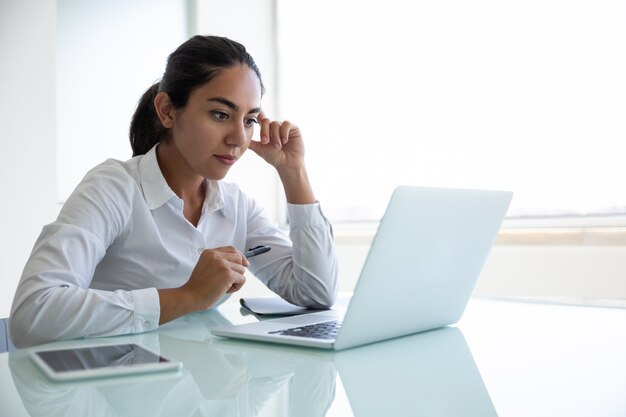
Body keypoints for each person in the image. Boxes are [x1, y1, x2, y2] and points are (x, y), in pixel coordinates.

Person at [9, 35, 338, 347]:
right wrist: (188, 296)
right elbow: (33, 313)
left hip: (199, 388)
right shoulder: (113, 188)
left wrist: (292, 171)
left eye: (249, 120)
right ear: (167, 110)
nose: (238, 138)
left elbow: (316, 293)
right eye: (221, 114)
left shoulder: (237, 206)